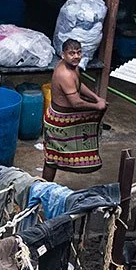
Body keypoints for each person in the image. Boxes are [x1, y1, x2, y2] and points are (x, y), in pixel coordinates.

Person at [42, 38, 106, 181]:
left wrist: (96, 98)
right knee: (51, 159)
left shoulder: (73, 66)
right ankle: (43, 187)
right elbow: (76, 103)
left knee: (52, 158)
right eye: (72, 53)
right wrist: (96, 106)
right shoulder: (64, 73)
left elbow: (79, 85)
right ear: (63, 54)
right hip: (59, 120)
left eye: (78, 52)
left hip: (66, 115)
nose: (76, 56)